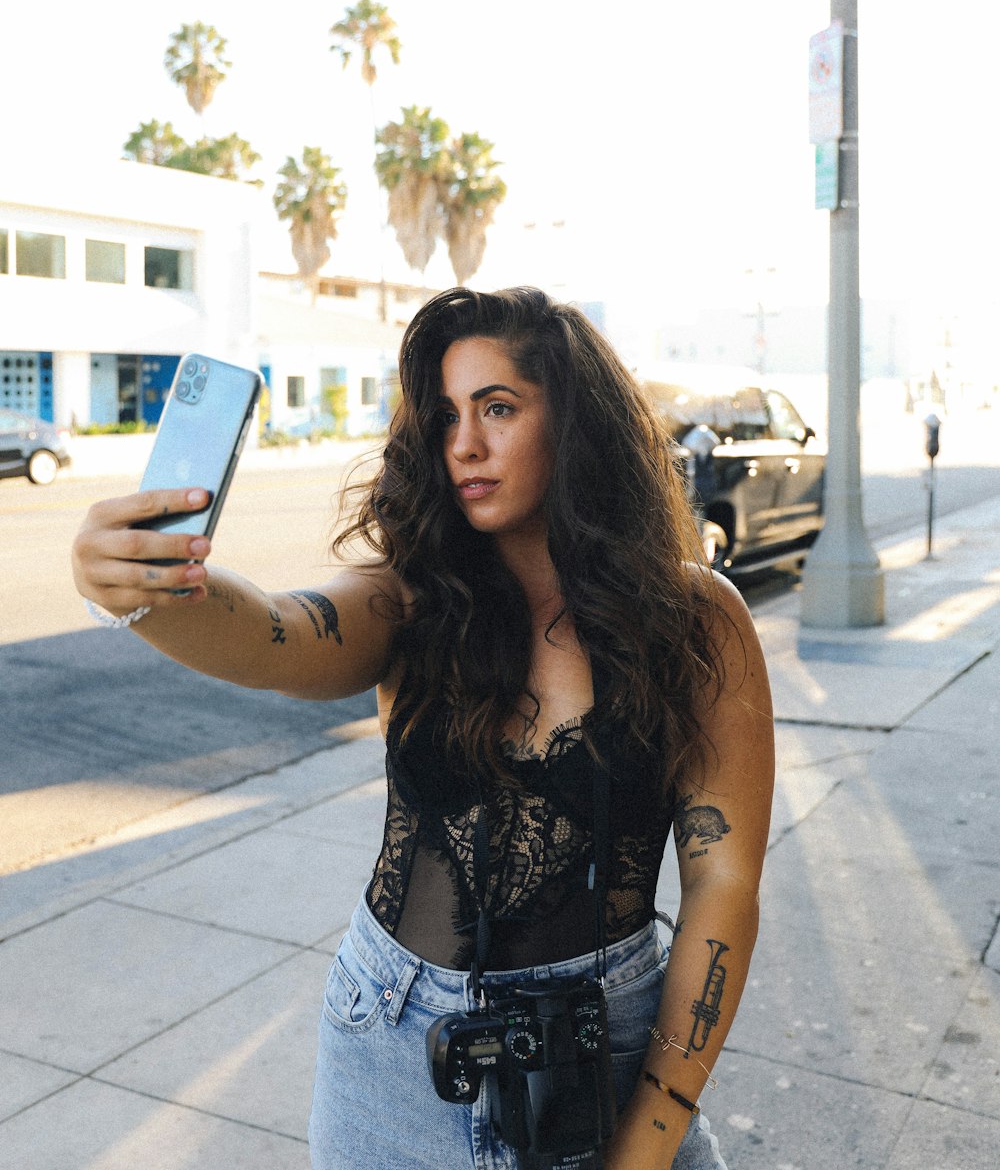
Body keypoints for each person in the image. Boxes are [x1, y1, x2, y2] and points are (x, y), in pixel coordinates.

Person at [72, 287, 774, 1170]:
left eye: (498, 409)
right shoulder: (409, 601)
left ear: (577, 421)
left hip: (615, 1054)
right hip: (394, 1054)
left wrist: (651, 1133)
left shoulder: (695, 619)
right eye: (443, 416)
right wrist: (137, 586)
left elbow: (725, 885)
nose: (464, 445)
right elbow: (272, 630)